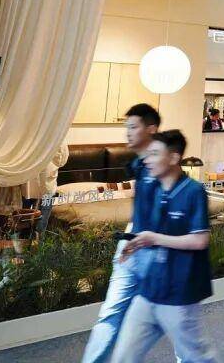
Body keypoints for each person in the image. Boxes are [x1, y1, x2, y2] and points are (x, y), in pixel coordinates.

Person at [112, 130, 218, 363]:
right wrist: (135, 243)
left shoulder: (193, 191)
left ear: (173, 158)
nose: (147, 160)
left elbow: (200, 240)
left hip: (179, 294)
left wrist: (154, 239)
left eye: (154, 154)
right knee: (123, 357)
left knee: (198, 358)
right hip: (149, 289)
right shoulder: (155, 190)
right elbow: (153, 231)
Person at [82, 104, 162, 363]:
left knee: (173, 320)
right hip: (132, 247)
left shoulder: (162, 165)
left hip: (153, 252)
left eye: (133, 127)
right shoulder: (138, 164)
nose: (127, 132)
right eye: (126, 127)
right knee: (111, 315)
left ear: (151, 129)